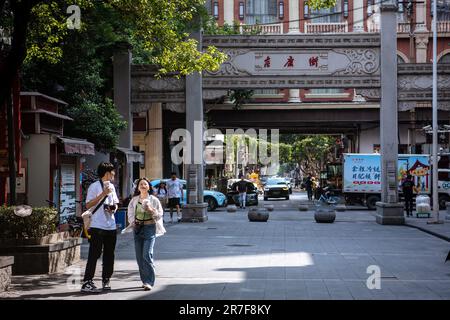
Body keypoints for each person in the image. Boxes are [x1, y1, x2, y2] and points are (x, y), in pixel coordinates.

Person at [81, 162, 119, 293]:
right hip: (97, 225)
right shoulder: (94, 186)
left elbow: (115, 203)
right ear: (107, 173)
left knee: (110, 255)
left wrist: (113, 208)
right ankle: (87, 282)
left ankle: (106, 279)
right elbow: (88, 205)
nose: (114, 174)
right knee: (94, 254)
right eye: (112, 172)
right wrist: (103, 194)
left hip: (111, 225)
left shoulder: (112, 187)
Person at [126, 178, 165, 291]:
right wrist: (133, 222)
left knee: (146, 255)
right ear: (138, 187)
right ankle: (144, 281)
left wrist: (150, 210)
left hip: (150, 228)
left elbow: (159, 215)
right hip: (137, 229)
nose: (143, 185)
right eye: (141, 184)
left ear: (149, 186)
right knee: (139, 257)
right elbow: (130, 213)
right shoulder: (134, 200)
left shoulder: (154, 200)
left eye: (145, 184)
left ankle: (149, 281)